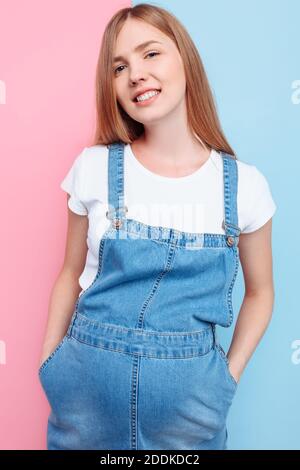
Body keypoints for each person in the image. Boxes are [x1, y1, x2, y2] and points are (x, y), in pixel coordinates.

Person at [38, 3, 276, 450]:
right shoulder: (92, 168)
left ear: (185, 59)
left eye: (151, 54)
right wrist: (50, 362)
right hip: (82, 405)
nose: (135, 74)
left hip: (191, 418)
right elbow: (69, 272)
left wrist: (227, 379)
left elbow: (262, 293)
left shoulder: (245, 185)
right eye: (120, 66)